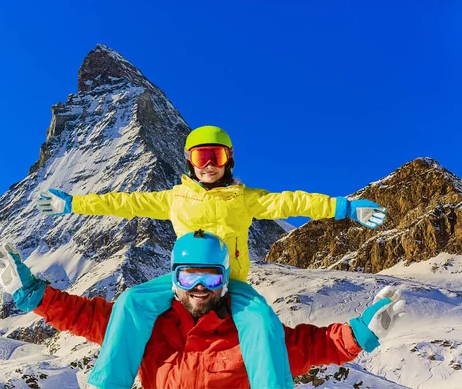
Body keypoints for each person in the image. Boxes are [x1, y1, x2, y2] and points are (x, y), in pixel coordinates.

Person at [36, 126, 388, 388]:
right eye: (200, 157)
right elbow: (124, 202)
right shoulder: (174, 199)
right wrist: (73, 203)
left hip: (230, 284)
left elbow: (291, 202)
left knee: (262, 322)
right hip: (182, 280)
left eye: (215, 157)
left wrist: (343, 207)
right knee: (129, 302)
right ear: (189, 161)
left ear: (228, 159)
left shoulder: (244, 198)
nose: (208, 165)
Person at [0, 231, 405, 389]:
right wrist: (34, 294)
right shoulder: (146, 325)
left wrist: (361, 331)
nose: (200, 289)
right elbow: (84, 316)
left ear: (225, 279)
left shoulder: (249, 334)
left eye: (210, 278)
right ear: (173, 279)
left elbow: (311, 345)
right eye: (189, 278)